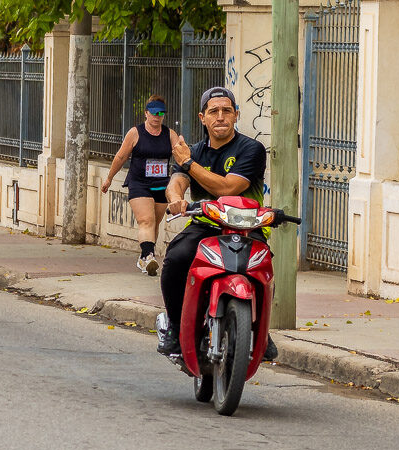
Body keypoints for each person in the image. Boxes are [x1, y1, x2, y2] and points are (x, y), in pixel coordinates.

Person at [156, 86, 276, 360]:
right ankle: (175, 328)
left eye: (226, 111)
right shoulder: (195, 151)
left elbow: (229, 188)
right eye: (214, 112)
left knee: (262, 267)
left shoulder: (251, 149)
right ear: (203, 117)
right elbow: (176, 182)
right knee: (176, 259)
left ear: (236, 115)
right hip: (205, 225)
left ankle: (261, 331)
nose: (220, 117)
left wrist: (189, 164)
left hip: (247, 227)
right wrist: (176, 198)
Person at [99, 95, 182, 275]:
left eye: (161, 113)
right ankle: (148, 256)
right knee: (146, 220)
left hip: (161, 185)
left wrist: (184, 151)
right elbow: (121, 156)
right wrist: (109, 178)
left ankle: (145, 257)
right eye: (153, 113)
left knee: (155, 223)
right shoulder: (135, 133)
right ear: (146, 113)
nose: (157, 116)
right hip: (139, 183)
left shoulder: (170, 134)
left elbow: (181, 156)